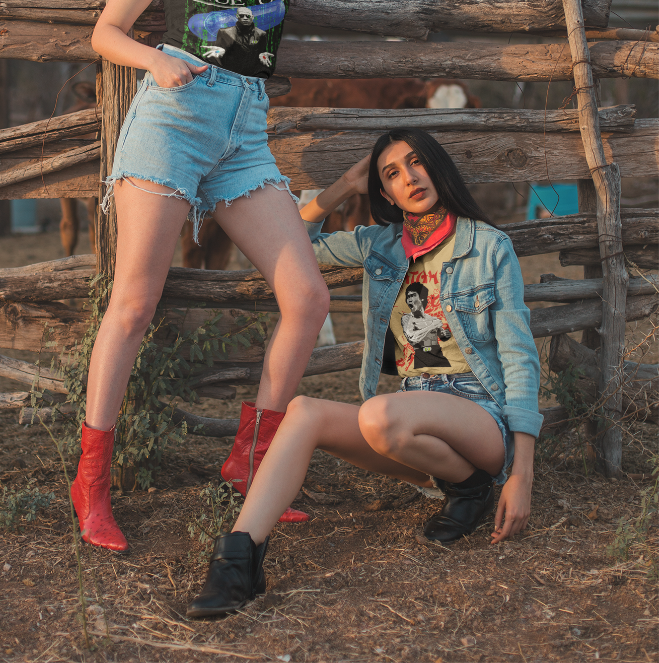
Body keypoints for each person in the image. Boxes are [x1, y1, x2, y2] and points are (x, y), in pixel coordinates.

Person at [69, 0, 404, 552]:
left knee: (308, 296)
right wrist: (155, 59)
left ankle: (248, 459)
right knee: (134, 303)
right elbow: (107, 30)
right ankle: (91, 481)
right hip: (174, 116)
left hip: (245, 133)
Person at [187, 128, 542, 618]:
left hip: (481, 418)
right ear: (384, 193)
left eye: (416, 162)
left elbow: (521, 357)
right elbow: (290, 245)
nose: (409, 178)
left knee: (378, 414)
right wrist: (340, 190)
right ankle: (238, 560)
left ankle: (478, 485)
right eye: (391, 174)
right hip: (414, 420)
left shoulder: (488, 246)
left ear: (436, 166)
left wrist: (521, 474)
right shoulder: (380, 245)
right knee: (305, 411)